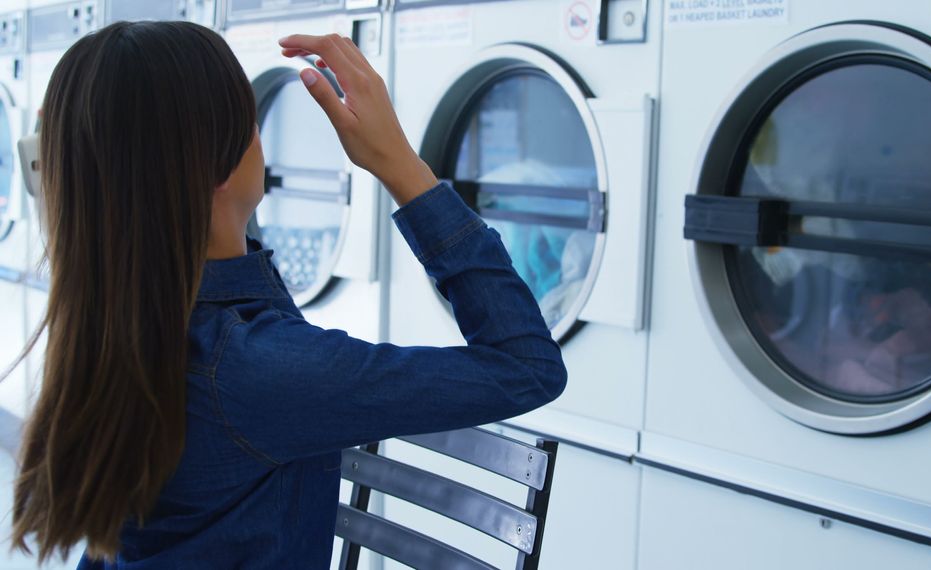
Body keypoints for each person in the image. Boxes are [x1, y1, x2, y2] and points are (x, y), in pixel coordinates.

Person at [6, 21, 566, 568]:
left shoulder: (121, 321)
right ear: (219, 166)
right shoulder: (259, 371)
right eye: (252, 123)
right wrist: (399, 162)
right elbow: (527, 366)